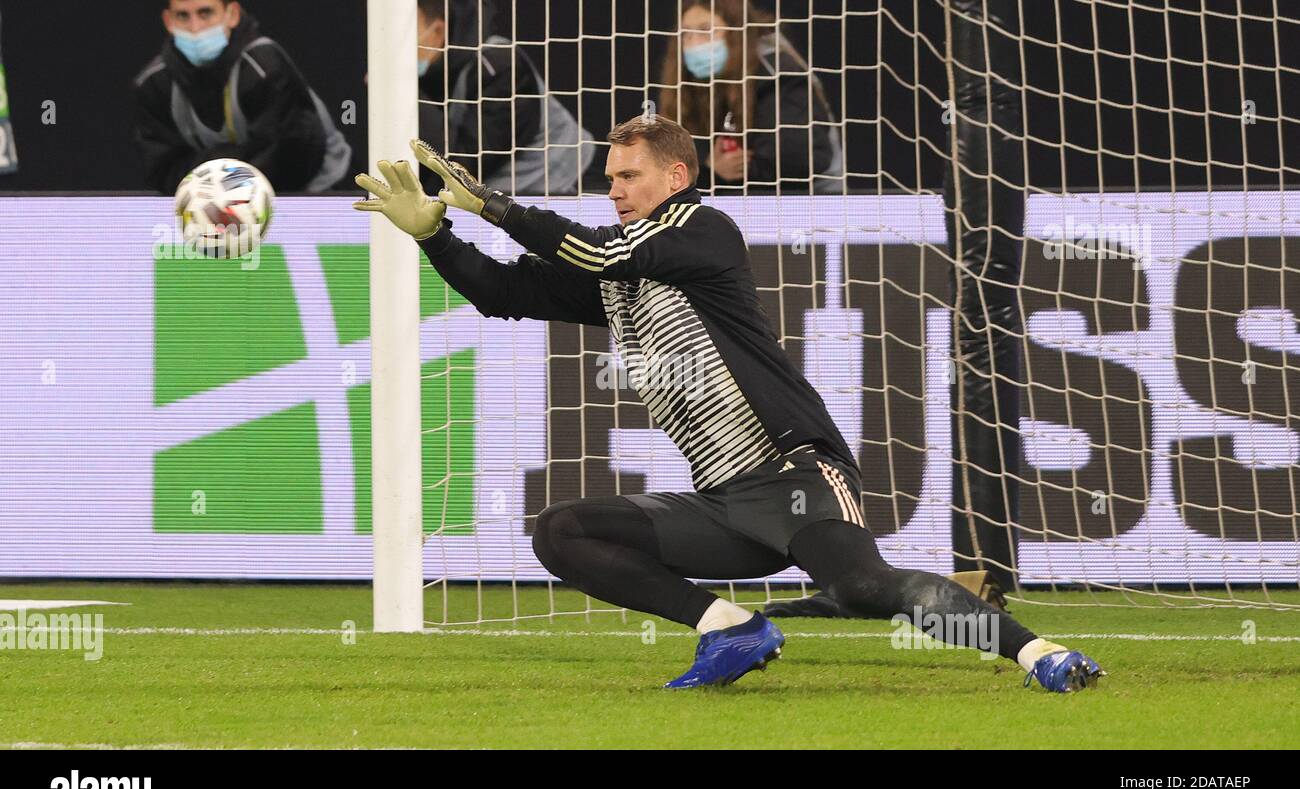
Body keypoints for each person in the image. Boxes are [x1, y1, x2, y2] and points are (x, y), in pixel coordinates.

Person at [351, 115, 1104, 692]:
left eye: (629, 176)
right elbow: (504, 294)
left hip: (795, 472)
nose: (613, 190)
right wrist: (437, 236)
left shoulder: (702, 230)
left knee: (862, 588)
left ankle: (1041, 654)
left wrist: (494, 206)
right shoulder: (620, 273)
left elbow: (600, 251)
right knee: (561, 531)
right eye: (610, 177)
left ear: (676, 176)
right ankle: (730, 627)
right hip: (724, 504)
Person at [132, 0, 350, 193]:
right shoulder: (153, 83)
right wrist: (225, 180)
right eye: (183, 16)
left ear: (232, 14)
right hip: (218, 206)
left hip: (323, 192)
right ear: (168, 20)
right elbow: (164, 169)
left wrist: (213, 177)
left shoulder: (265, 66)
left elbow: (291, 157)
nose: (195, 28)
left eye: (205, 13)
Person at [657, 0, 844, 194]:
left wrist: (722, 171)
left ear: (736, 32)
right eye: (686, 34)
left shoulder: (777, 73)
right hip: (747, 198)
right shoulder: (697, 82)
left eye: (706, 30)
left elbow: (798, 158)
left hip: (814, 199)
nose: (694, 44)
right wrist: (711, 170)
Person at [415, 0, 593, 196]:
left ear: (437, 31)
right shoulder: (431, 74)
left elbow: (462, 166)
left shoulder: (499, 67)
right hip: (491, 197)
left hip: (551, 190)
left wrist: (410, 95)